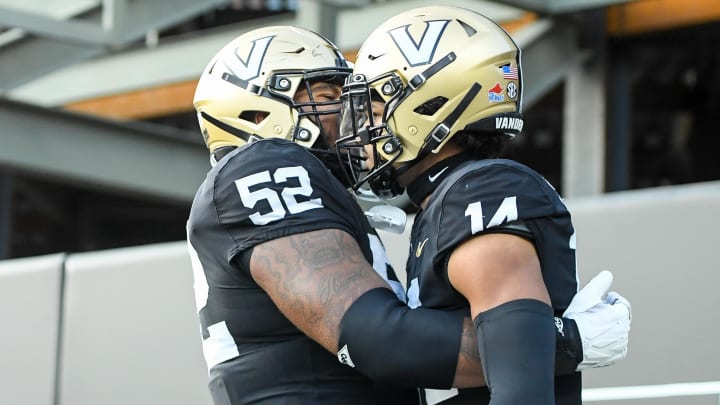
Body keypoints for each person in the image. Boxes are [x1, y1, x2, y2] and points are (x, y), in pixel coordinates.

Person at [186, 25, 630, 405]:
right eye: (327, 97)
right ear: (259, 110)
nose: (346, 118)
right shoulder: (264, 164)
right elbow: (376, 339)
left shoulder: (310, 192)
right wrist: (560, 342)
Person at [336, 6, 631, 405]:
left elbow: (520, 391)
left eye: (372, 112)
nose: (362, 133)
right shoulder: (447, 197)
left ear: (430, 106)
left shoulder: (480, 190)